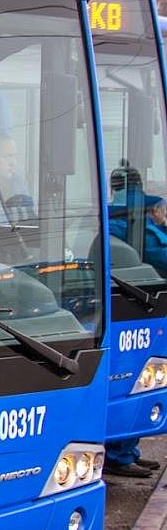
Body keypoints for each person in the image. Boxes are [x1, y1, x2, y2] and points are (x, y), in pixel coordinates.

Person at [105, 176, 167, 478]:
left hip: (138, 307)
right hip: (133, 308)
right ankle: (119, 453)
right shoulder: (136, 223)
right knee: (132, 380)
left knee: (139, 380)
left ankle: (127, 451)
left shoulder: (126, 218)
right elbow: (161, 257)